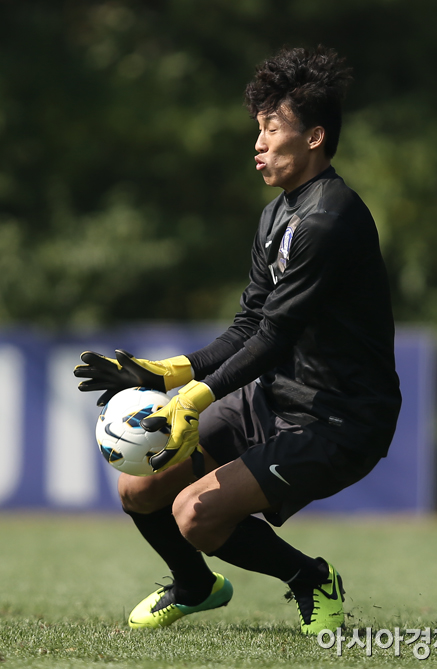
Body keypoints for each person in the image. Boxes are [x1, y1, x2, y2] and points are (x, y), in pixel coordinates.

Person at [74, 45, 401, 635]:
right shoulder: (276, 216)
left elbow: (274, 337)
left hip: (340, 417)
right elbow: (249, 325)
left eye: (272, 130)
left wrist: (193, 398)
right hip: (273, 398)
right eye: (259, 129)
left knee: (195, 516)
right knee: (140, 486)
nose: (258, 143)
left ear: (314, 138)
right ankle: (195, 586)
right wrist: (162, 373)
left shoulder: (329, 220)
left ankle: (311, 579)